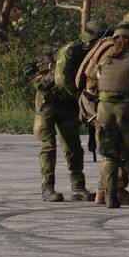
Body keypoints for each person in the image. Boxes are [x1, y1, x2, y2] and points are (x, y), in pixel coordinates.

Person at [78, 11, 129, 205]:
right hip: (127, 110)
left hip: (103, 110)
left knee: (109, 156)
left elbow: (95, 82)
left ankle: (110, 197)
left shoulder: (105, 59)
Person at [31, 23, 100, 202]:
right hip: (49, 101)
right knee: (48, 145)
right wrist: (81, 97)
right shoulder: (72, 51)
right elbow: (62, 81)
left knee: (73, 147)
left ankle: (78, 187)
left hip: (68, 103)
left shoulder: (94, 54)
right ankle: (47, 188)